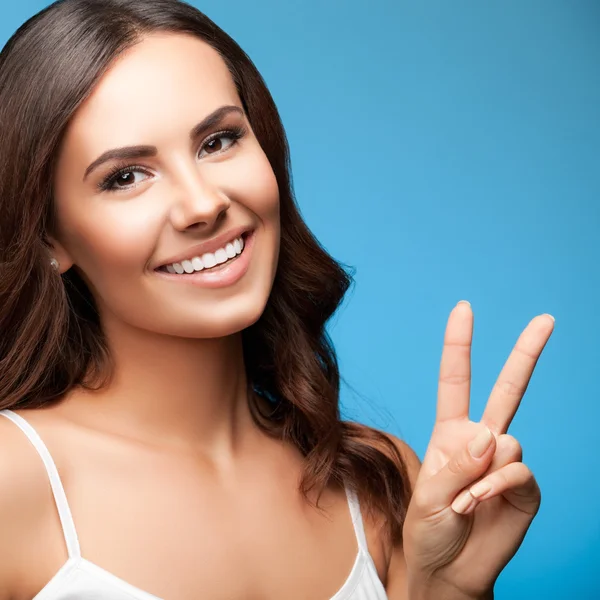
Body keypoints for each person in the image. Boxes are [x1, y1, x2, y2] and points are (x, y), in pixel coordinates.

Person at [0, 1, 554, 598]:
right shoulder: (15, 483)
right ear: (49, 237)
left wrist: (443, 589)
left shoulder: (379, 477)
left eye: (218, 141)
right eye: (126, 176)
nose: (203, 203)